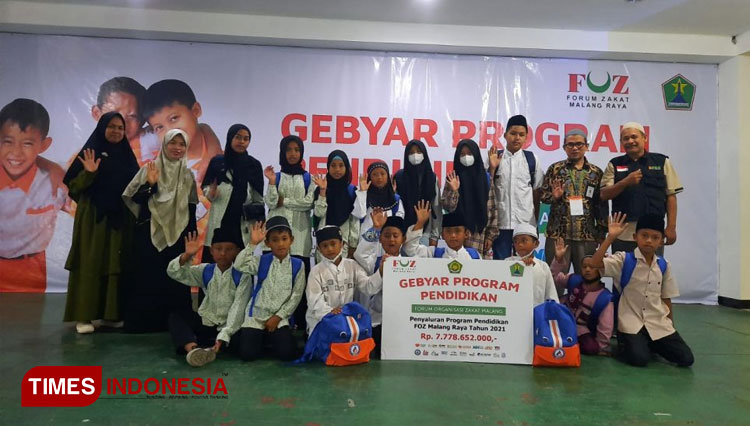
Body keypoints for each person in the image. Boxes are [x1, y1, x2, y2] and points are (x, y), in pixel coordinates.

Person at [62, 112, 139, 333]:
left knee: (114, 265)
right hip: (94, 218)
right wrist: (89, 174)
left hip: (120, 218)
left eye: (120, 128)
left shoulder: (127, 156)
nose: (116, 131)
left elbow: (134, 186)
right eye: (111, 126)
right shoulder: (89, 153)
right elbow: (74, 188)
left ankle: (110, 315)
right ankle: (83, 317)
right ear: (102, 127)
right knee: (90, 262)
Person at [590, 213, 694, 367]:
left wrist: (670, 327)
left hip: (657, 322)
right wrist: (610, 238)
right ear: (635, 237)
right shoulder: (624, 260)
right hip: (630, 323)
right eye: (644, 235)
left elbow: (666, 298)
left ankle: (652, 343)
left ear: (661, 242)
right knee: (639, 359)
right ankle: (631, 345)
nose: (649, 240)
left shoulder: (664, 265)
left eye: (655, 237)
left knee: (686, 358)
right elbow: (594, 263)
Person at [122, 129, 198, 333]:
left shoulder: (188, 175)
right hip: (150, 231)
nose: (177, 148)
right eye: (173, 143)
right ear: (165, 144)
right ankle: (146, 323)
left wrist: (191, 235)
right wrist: (150, 185)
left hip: (178, 233)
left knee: (175, 278)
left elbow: (191, 205)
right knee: (149, 277)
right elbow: (132, 198)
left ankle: (175, 322)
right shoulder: (150, 168)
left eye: (182, 144)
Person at [0, 98, 66, 292]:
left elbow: (84, 210)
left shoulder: (55, 182)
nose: (16, 152)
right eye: (7, 141)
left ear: (44, 145)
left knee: (30, 319)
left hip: (32, 270)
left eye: (27, 143)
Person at [165, 228, 251, 367]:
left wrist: (225, 334)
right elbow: (175, 273)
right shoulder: (205, 270)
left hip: (229, 327)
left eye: (229, 249)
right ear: (211, 251)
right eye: (218, 248)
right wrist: (186, 256)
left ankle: (216, 346)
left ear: (237, 252)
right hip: (207, 322)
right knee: (176, 316)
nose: (223, 253)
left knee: (245, 341)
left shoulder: (243, 274)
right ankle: (194, 350)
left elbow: (238, 308)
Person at [599, 122, 683, 254]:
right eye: (626, 139)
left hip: (653, 232)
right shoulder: (614, 164)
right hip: (623, 233)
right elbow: (604, 195)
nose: (630, 141)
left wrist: (671, 227)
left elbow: (671, 196)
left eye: (634, 137)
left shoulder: (661, 161)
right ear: (621, 142)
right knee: (622, 273)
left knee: (652, 273)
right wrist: (625, 182)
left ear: (645, 138)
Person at [230, 217, 306, 362]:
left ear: (292, 240)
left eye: (284, 239)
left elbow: (296, 295)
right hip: (257, 315)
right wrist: (252, 244)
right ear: (267, 243)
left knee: (287, 354)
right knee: (247, 354)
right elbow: (239, 265)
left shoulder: (298, 265)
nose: (280, 244)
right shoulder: (261, 260)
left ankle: (270, 338)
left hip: (279, 317)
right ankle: (260, 337)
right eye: (275, 240)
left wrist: (278, 317)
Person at [264, 135, 317, 329]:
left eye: (296, 150)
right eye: (289, 150)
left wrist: (283, 201)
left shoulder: (308, 178)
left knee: (300, 284)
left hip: (300, 239)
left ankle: (301, 324)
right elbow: (270, 202)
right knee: (274, 282)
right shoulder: (276, 177)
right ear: (282, 152)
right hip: (276, 239)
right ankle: (273, 322)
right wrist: (271, 183)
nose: (293, 154)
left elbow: (308, 203)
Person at [540, 129, 608, 276]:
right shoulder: (555, 169)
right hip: (558, 234)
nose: (575, 148)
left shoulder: (596, 172)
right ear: (564, 148)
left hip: (587, 234)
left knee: (586, 279)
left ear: (587, 146)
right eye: (570, 145)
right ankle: (554, 300)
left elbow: (601, 204)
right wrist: (555, 197)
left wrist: (602, 232)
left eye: (579, 144)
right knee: (554, 278)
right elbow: (544, 197)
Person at [202, 124, 263, 261]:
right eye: (238, 137)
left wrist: (257, 223)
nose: (242, 142)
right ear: (230, 138)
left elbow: (258, 198)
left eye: (246, 139)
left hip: (242, 225)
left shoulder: (254, 165)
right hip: (220, 222)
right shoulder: (217, 162)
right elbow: (206, 186)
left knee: (241, 267)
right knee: (214, 266)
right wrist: (211, 193)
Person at [141, 79, 221, 183]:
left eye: (174, 118)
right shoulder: (154, 168)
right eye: (159, 127)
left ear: (196, 111)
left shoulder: (223, 163)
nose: (170, 131)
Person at [305, 225, 381, 335]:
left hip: (347, 320)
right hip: (322, 320)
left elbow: (368, 287)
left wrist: (381, 271)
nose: (330, 249)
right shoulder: (316, 271)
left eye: (333, 243)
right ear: (319, 249)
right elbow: (314, 301)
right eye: (325, 246)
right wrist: (329, 312)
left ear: (342, 244)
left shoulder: (352, 265)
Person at [488, 115, 544, 259]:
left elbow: (537, 192)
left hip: (525, 224)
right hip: (500, 224)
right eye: (513, 134)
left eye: (521, 134)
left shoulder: (532, 160)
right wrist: (492, 168)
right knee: (501, 268)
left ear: (526, 137)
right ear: (505, 135)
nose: (517, 138)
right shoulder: (494, 157)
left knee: (525, 267)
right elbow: (486, 189)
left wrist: (534, 222)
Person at [353, 211, 407, 358]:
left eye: (396, 236)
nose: (391, 240)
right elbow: (359, 254)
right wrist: (376, 229)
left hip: (400, 323)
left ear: (403, 239)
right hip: (375, 322)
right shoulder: (374, 262)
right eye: (387, 235)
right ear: (380, 239)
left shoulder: (410, 265)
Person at [550, 238, 613, 355]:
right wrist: (558, 259)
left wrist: (601, 346)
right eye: (584, 267)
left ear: (601, 269)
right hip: (560, 321)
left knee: (591, 348)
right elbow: (553, 276)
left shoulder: (604, 298)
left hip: (581, 331)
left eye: (592, 267)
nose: (587, 270)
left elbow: (606, 327)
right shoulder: (573, 280)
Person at [442, 139, 498, 259]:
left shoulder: (486, 178)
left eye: (469, 154)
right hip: (456, 233)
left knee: (475, 273)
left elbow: (492, 209)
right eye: (462, 154)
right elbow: (447, 207)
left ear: (476, 155)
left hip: (479, 233)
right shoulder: (452, 178)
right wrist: (454, 190)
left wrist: (490, 236)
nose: (466, 157)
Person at [90, 76, 157, 166]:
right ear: (97, 113)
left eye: (132, 116)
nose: (122, 123)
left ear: (142, 120)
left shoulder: (153, 141)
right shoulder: (87, 156)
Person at [312, 150, 359, 261]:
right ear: (328, 167)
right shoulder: (321, 188)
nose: (337, 169)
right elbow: (318, 213)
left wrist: (353, 244)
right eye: (333, 166)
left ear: (346, 167)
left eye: (341, 165)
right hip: (323, 243)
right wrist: (323, 192)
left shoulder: (351, 191)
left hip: (344, 243)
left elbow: (354, 220)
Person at [394, 139, 442, 246]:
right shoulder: (399, 177)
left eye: (419, 152)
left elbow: (436, 208)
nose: (415, 155)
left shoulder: (432, 178)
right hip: (402, 233)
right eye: (411, 153)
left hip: (425, 232)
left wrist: (434, 236)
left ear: (424, 154)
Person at [403, 201, 481, 260]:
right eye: (448, 231)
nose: (453, 235)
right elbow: (410, 250)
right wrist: (420, 223)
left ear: (466, 234)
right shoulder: (434, 254)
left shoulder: (474, 256)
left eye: (457, 231)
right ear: (442, 235)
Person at [505, 223, 558, 306]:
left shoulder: (543, 266)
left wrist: (532, 267)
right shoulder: (506, 262)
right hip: (511, 312)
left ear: (536, 244)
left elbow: (551, 295)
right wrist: (522, 264)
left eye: (524, 240)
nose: (519, 244)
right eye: (516, 241)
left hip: (537, 314)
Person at [352, 161, 404, 245]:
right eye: (374, 174)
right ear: (369, 177)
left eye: (382, 174)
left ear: (388, 176)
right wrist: (362, 192)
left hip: (389, 245)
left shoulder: (395, 200)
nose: (379, 177)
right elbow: (359, 214)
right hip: (366, 244)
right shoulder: (363, 196)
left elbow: (399, 223)